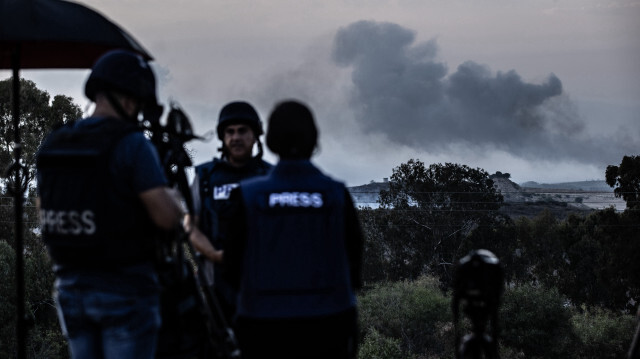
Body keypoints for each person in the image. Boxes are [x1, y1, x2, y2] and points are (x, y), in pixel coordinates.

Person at [36, 50, 183, 359]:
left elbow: (44, 209)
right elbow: (166, 219)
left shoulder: (55, 141)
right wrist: (175, 200)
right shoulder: (131, 144)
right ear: (129, 99)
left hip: (70, 286)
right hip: (125, 288)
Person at [224, 99, 364, 359]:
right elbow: (354, 257)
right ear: (314, 140)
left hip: (261, 324)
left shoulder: (247, 196)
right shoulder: (336, 194)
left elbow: (231, 265)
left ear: (270, 142)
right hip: (329, 322)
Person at [187, 100, 272, 326]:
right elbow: (191, 226)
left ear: (255, 135)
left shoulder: (270, 177)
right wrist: (215, 255)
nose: (235, 137)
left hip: (263, 286)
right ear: (222, 137)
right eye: (229, 131)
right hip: (214, 287)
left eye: (243, 131)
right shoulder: (205, 177)